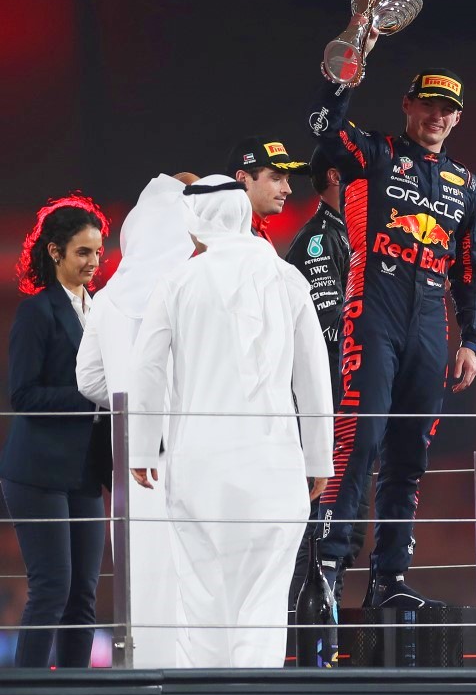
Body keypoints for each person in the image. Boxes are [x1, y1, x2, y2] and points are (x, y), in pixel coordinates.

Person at [128, 177, 332, 668]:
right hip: (276, 467)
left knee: (203, 598)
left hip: (199, 468)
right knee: (264, 599)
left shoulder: (178, 282)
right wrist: (318, 458)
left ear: (195, 223)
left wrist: (139, 450)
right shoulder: (287, 279)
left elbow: (147, 368)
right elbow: (313, 375)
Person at [309, 64, 476, 607]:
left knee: (409, 455)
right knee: (357, 443)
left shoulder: (466, 184)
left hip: (431, 324)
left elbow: (471, 268)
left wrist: (471, 340)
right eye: (428, 105)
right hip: (374, 310)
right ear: (408, 106)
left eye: (447, 109)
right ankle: (325, 571)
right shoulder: (376, 153)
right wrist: (345, 71)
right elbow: (325, 128)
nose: (437, 116)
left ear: (457, 118)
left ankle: (389, 580)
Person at [75, 172, 210, 668]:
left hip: (129, 456)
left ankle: (143, 673)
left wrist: (122, 397)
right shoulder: (189, 290)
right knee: (193, 569)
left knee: (139, 571)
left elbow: (87, 379)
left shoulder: (107, 300)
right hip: (188, 448)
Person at [0, 196, 112, 668]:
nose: (93, 262)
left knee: (83, 595)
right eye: (83, 252)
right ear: (54, 253)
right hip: (37, 471)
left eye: (98, 253)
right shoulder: (37, 312)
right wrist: (90, 395)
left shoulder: (104, 311)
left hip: (86, 471)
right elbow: (22, 396)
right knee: (52, 589)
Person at [283, 149, 364, 607]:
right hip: (325, 416)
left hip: (351, 409)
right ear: (336, 177)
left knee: (346, 536)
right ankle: (303, 650)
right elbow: (330, 325)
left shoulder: (358, 236)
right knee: (318, 540)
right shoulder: (317, 240)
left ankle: (325, 643)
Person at [228, 136, 308, 242]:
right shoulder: (226, 235)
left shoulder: (256, 231)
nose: (287, 190)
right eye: (276, 178)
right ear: (243, 179)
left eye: (287, 179)